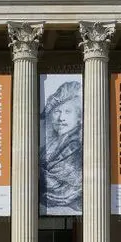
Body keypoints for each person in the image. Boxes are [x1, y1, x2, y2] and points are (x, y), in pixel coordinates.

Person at [40, 80, 85, 214]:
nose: (61, 118)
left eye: (67, 111)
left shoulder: (79, 148)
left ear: (78, 117)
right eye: (57, 112)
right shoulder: (47, 147)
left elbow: (75, 180)